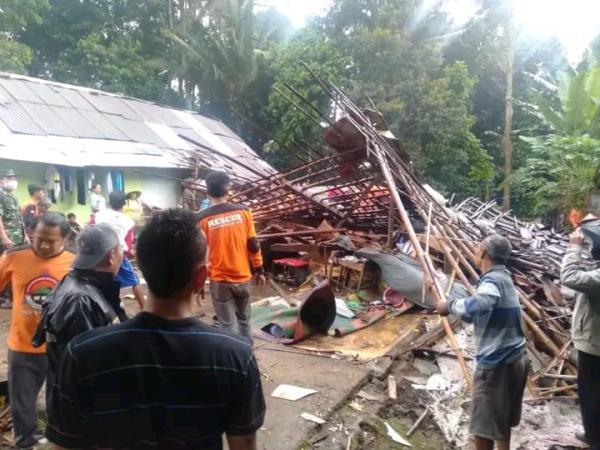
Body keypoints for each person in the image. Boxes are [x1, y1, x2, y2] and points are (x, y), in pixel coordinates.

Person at [47, 209, 266, 450]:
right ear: (201, 276)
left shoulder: (82, 354)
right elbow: (244, 446)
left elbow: (64, 445)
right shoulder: (235, 357)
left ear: (140, 267)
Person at [436, 234, 528, 450]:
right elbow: (483, 311)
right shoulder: (505, 278)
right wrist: (458, 310)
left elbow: (483, 302)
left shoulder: (492, 280)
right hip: (516, 357)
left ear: (484, 253)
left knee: (482, 428)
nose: (475, 252)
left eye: (477, 249)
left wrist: (449, 306)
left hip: (498, 363)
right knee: (501, 419)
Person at [33, 223, 125, 419]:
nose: (122, 256)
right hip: (81, 415)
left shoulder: (86, 286)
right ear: (110, 257)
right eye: (120, 251)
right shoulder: (80, 300)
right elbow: (84, 369)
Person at [0, 212, 74, 449]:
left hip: (59, 345)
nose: (42, 244)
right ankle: (25, 444)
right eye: (38, 238)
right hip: (23, 344)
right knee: (22, 404)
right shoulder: (15, 256)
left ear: (64, 239)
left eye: (50, 241)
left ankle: (55, 442)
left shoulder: (75, 260)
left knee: (59, 401)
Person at [197, 171, 265, 343]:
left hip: (220, 280)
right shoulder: (244, 212)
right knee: (245, 321)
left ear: (208, 192)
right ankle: (248, 357)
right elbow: (253, 244)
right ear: (228, 190)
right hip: (242, 277)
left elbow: (200, 253)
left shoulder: (202, 219)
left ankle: (233, 361)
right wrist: (259, 269)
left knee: (227, 326)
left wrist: (199, 281)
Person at [561, 219, 600, 450]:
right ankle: (593, 434)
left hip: (595, 345)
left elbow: (570, 277)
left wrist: (574, 247)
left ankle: (595, 440)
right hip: (594, 340)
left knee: (592, 397)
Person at [94, 190, 145, 310]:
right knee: (134, 281)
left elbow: (91, 230)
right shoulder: (128, 221)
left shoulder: (99, 215)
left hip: (99, 253)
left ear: (109, 201)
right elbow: (127, 242)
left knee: (101, 281)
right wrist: (128, 252)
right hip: (117, 253)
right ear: (124, 204)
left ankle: (106, 308)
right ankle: (145, 309)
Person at [0, 169, 26, 309]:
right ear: (1, 180)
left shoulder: (12, 196)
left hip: (18, 238)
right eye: (10, 178)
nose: (14, 180)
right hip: (7, 239)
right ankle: (4, 298)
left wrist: (25, 235)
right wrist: (4, 237)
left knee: (16, 266)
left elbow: (19, 218)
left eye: (15, 177)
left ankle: (13, 296)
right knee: (5, 267)